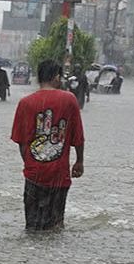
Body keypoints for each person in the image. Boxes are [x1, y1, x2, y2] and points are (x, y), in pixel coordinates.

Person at [12, 59, 85, 231]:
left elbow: (21, 142)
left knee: (32, 226)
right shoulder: (69, 100)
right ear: (56, 77)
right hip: (59, 175)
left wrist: (31, 163)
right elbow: (78, 136)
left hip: (33, 174)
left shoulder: (25, 103)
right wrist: (79, 161)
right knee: (56, 226)